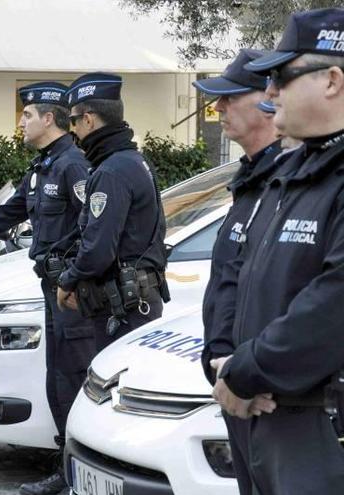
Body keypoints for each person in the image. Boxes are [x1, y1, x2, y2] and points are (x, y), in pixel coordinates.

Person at [209, 8, 344, 494]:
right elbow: (242, 277)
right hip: (271, 416)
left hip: (321, 427)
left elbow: (331, 305)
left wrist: (244, 373)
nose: (269, 93)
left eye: (282, 77)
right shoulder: (291, 174)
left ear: (332, 80)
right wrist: (228, 363)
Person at [0, 81, 92, 495]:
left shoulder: (73, 166)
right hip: (51, 286)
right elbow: (4, 215)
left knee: (72, 377)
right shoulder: (43, 167)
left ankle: (75, 474)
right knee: (56, 377)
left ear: (50, 119)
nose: (21, 122)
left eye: (27, 115)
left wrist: (73, 276)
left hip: (72, 291)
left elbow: (92, 228)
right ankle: (65, 469)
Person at [191, 49, 283, 495]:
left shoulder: (289, 184)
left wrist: (248, 373)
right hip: (234, 385)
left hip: (266, 395)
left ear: (268, 99)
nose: (218, 108)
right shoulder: (251, 181)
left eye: (229, 98)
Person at [56, 73, 169, 350]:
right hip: (136, 301)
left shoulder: (111, 171)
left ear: (89, 119)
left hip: (123, 309)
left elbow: (98, 248)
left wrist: (67, 280)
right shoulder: (133, 160)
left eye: (73, 121)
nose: (72, 131)